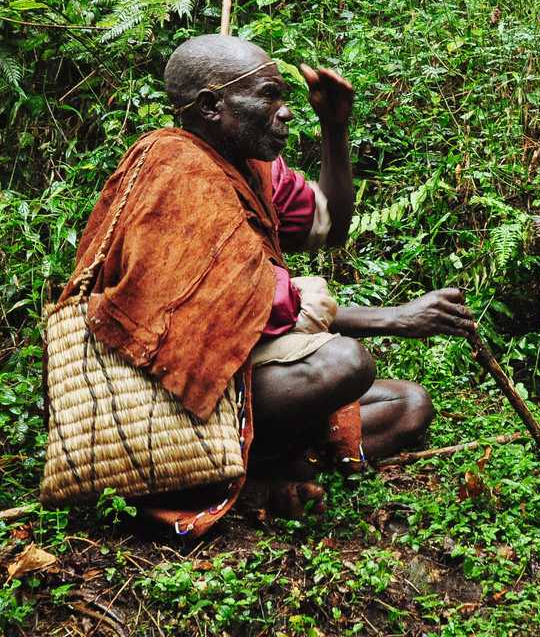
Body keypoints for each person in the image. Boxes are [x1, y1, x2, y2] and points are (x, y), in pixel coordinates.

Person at [61, 33, 471, 536]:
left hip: (238, 375)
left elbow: (330, 227)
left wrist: (334, 128)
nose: (285, 111)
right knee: (345, 362)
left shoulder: (255, 168)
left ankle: (267, 467)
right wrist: (394, 319)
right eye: (269, 96)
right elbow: (258, 308)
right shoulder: (176, 169)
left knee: (408, 406)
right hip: (170, 390)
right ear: (212, 106)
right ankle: (251, 475)